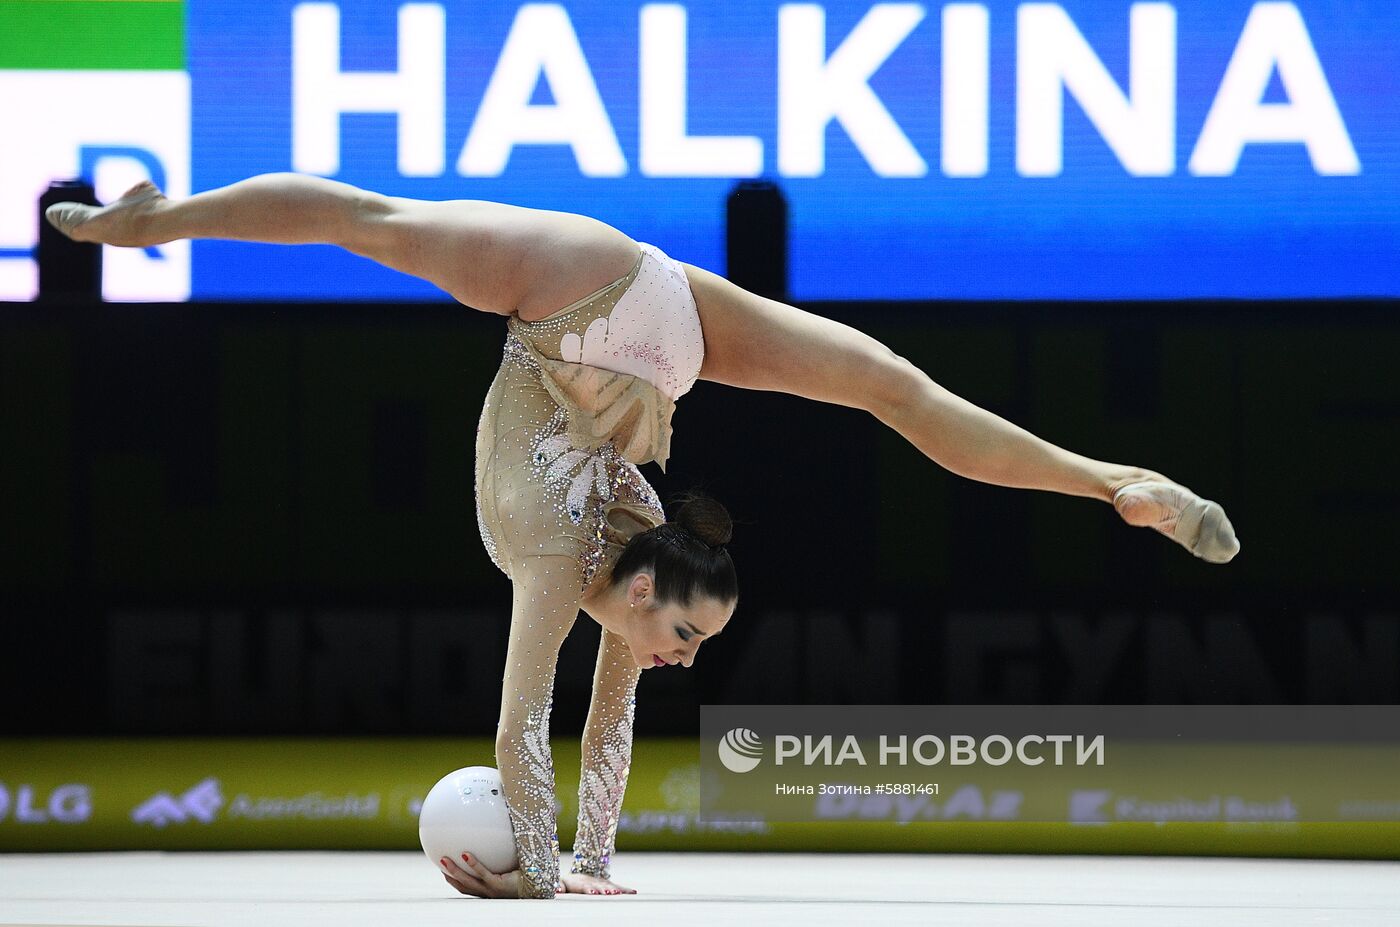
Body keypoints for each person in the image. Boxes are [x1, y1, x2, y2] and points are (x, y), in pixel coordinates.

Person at [46, 174, 1239, 899]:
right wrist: (555, 868)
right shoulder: (605, 551)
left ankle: (1117, 484)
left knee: (890, 386)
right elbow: (558, 724)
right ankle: (159, 221)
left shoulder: (582, 560)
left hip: (610, 311)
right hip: (615, 314)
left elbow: (552, 722)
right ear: (648, 592)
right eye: (687, 634)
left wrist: (567, 867)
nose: (680, 655)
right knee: (364, 218)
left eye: (688, 640)